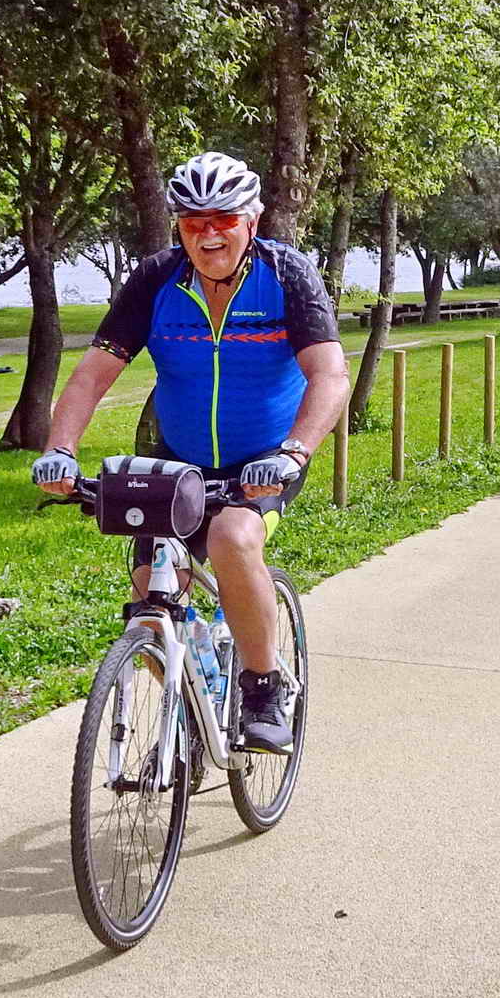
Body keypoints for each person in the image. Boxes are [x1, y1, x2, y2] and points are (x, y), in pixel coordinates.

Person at [31, 152, 348, 754]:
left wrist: (294, 452)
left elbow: (329, 376)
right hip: (175, 456)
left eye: (223, 218)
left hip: (266, 458)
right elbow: (92, 375)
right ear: (178, 224)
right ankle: (192, 694)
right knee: (151, 587)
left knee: (232, 540)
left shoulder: (287, 275)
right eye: (193, 219)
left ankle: (261, 687)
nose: (208, 232)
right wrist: (60, 450)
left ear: (251, 221)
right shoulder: (156, 279)